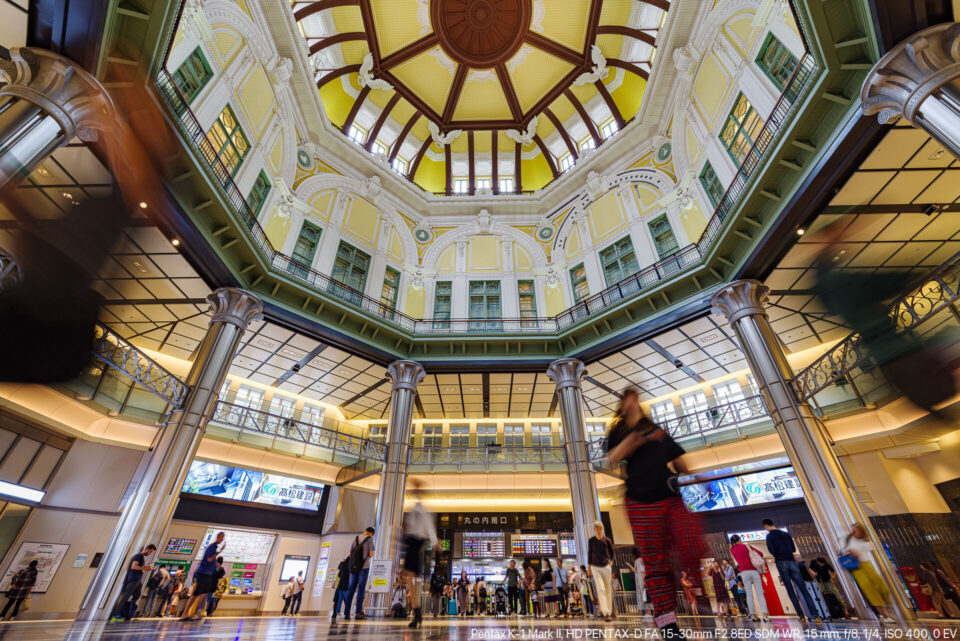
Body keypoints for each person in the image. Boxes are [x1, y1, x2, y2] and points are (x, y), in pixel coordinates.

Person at [607, 389, 705, 639]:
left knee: (689, 536)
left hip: (669, 495)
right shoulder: (617, 432)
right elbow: (612, 459)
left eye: (635, 396)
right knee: (656, 563)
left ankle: (694, 583)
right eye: (628, 397)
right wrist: (634, 440)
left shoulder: (656, 429)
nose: (633, 399)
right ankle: (667, 624)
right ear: (623, 403)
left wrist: (694, 476)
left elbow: (679, 460)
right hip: (640, 501)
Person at [763, 519, 818, 622]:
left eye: (765, 527)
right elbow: (793, 549)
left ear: (767, 526)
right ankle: (815, 614)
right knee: (803, 589)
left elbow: (771, 550)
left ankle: (801, 616)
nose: (766, 529)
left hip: (781, 562)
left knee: (790, 589)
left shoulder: (769, 536)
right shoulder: (786, 534)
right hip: (792, 562)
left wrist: (777, 553)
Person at [400, 479, 438, 628]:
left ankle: (417, 612)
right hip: (412, 543)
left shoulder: (421, 509)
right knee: (410, 578)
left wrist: (434, 542)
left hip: (416, 542)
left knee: (410, 577)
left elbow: (428, 525)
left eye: (417, 490)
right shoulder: (416, 508)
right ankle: (417, 612)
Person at [843, 523, 894, 622]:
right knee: (871, 592)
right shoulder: (849, 539)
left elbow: (871, 547)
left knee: (882, 588)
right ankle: (884, 616)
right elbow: (844, 551)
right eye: (853, 530)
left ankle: (888, 612)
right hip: (857, 568)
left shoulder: (864, 540)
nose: (854, 532)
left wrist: (857, 550)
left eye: (855, 530)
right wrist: (850, 551)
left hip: (867, 565)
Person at [181, 531, 224, 620]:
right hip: (204, 573)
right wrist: (220, 551)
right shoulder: (212, 547)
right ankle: (197, 613)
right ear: (218, 537)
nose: (222, 539)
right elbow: (209, 559)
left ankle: (188, 614)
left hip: (205, 574)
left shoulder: (214, 548)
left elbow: (211, 560)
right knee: (202, 594)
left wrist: (217, 565)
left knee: (198, 594)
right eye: (221, 537)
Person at [111, 543, 156, 621]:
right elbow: (134, 566)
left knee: (137, 595)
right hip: (134, 578)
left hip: (138, 580)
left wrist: (145, 566)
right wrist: (144, 568)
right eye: (150, 552)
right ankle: (115, 615)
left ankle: (127, 610)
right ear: (147, 549)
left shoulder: (141, 557)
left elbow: (139, 567)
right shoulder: (139, 556)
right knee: (126, 596)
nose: (150, 553)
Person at [729, 534, 768, 621]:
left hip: (743, 573)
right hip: (753, 571)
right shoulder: (746, 546)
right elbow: (760, 554)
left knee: (749, 594)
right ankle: (765, 615)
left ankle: (753, 615)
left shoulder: (732, 549)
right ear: (739, 540)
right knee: (760, 593)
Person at [344, 526, 375, 620]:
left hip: (353, 568)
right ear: (371, 533)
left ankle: (347, 613)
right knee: (361, 590)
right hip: (364, 567)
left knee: (351, 590)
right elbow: (370, 554)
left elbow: (350, 554)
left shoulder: (356, 538)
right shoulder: (369, 539)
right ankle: (358, 613)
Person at [587, 520, 616, 622]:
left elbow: (613, 554)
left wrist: (610, 564)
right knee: (600, 588)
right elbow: (589, 555)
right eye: (598, 529)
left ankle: (609, 612)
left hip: (606, 566)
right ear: (594, 530)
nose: (600, 531)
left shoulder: (607, 540)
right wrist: (589, 569)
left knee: (608, 590)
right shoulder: (591, 541)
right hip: (595, 567)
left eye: (601, 528)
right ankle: (605, 612)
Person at [625, 547, 646, 615]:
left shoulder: (639, 561)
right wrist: (630, 565)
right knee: (642, 598)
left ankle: (646, 613)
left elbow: (642, 572)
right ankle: (645, 613)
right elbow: (636, 571)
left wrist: (644, 582)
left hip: (641, 582)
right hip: (640, 582)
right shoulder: (638, 561)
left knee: (643, 597)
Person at [331, 556, 351, 621]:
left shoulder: (339, 569)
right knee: (346, 601)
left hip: (338, 587)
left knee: (337, 601)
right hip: (345, 587)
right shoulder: (348, 568)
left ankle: (334, 614)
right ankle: (347, 615)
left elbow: (337, 577)